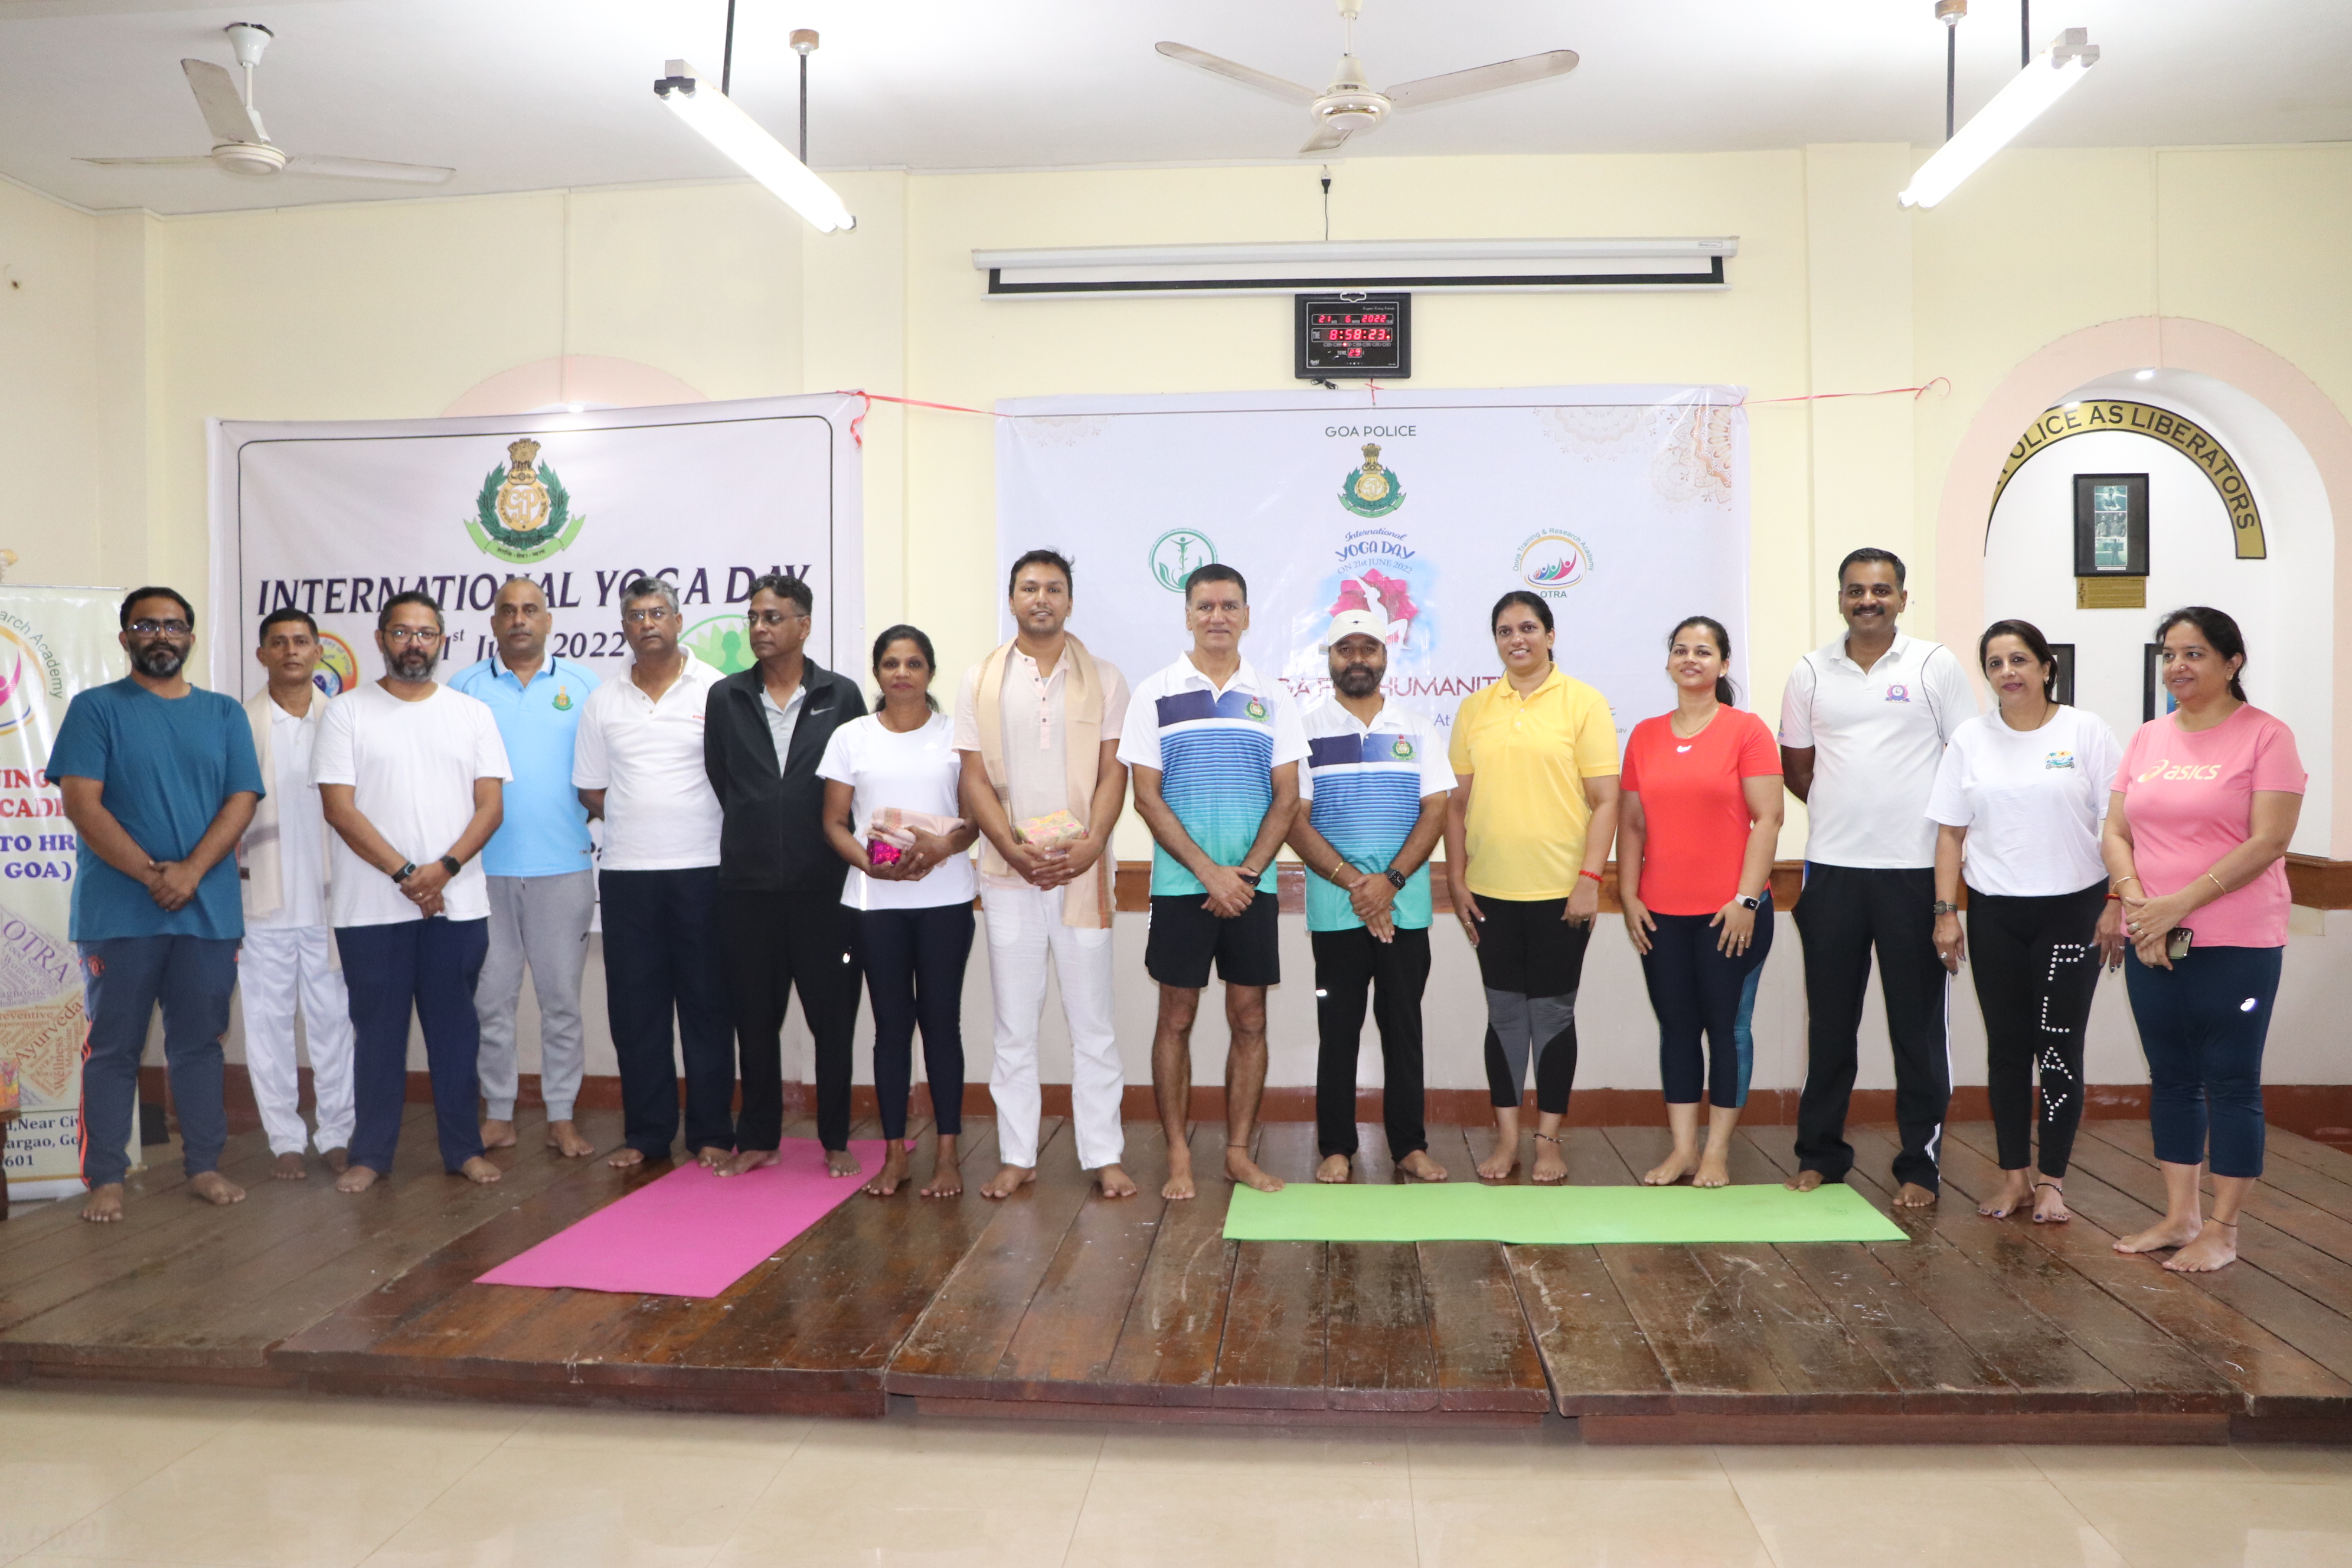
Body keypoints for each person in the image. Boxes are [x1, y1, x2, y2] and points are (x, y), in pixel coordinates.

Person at [51, 587, 262, 1223]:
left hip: (207, 909)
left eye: (174, 625)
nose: (161, 635)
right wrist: (153, 876)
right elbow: (82, 804)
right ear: (125, 638)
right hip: (120, 911)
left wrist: (191, 872)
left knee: (199, 1044)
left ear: (191, 638)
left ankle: (204, 1165)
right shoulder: (95, 709)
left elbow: (243, 800)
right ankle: (106, 1176)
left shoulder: (224, 713)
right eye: (147, 625)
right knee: (114, 1047)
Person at [2102, 606, 2302, 1273]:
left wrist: (2177, 906)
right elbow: (2116, 832)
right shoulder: (2148, 737)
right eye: (2168, 654)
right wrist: (2139, 906)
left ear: (2231, 661)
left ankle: (2223, 1228)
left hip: (2236, 942)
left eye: (2193, 653)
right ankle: (2180, 1215)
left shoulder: (2266, 736)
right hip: (2152, 937)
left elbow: (2269, 840)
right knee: (2172, 1078)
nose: (2177, 667)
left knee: (2232, 1080)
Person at [1778, 547, 1977, 1207]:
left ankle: (1920, 1166)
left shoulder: (1934, 664)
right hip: (1833, 873)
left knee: (1916, 1031)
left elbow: (1966, 760)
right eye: (1857, 590)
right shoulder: (1810, 671)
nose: (1869, 600)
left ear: (1902, 598)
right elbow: (1799, 769)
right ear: (1840, 598)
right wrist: (1849, 812)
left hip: (1915, 875)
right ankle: (1820, 1156)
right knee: (1830, 1027)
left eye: (1882, 590)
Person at [1119, 562, 1307, 1200]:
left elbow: (1287, 799)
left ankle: (1236, 1154)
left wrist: (1243, 876)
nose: (1217, 616)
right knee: (1175, 1015)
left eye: (1230, 606)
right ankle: (1178, 1153)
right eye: (1205, 606)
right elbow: (1146, 798)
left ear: (1248, 616)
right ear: (1188, 616)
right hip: (1182, 887)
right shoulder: (1154, 693)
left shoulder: (1274, 696)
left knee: (1250, 1018)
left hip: (1251, 887)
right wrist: (1209, 874)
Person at [1928, 619, 2125, 1224]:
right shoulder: (1970, 739)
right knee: (2008, 1050)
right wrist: (1946, 913)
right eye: (1995, 663)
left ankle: (2052, 1181)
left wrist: (2117, 900)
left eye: (2019, 660)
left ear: (2045, 667)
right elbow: (1950, 834)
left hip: (2073, 911)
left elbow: (2121, 825)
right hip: (1995, 913)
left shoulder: (2085, 731)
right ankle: (2014, 1176)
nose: (2007, 672)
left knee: (2060, 1048)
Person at [314, 591, 511, 1193]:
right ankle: (370, 1153)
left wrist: (443, 869)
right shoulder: (346, 712)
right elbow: (339, 808)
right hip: (371, 910)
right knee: (378, 1037)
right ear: (381, 639)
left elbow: (491, 806)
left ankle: (464, 1149)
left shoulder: (471, 713)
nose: (414, 644)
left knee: (456, 1035)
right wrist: (406, 874)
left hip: (458, 903)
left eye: (426, 633)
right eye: (402, 632)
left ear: (442, 641)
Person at [955, 550, 1135, 1201]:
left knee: (1093, 1024)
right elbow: (973, 777)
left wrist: (1092, 846)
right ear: (1011, 599)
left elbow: (1115, 772)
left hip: (1082, 873)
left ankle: (1104, 1154)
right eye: (1029, 588)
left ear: (1069, 601)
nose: (1041, 598)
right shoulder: (980, 679)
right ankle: (1016, 1154)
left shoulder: (1107, 678)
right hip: (1009, 874)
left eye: (1054, 589)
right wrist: (1011, 848)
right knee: (1014, 1024)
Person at [1444, 591, 1621, 1184]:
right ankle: (1507, 1140)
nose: (1516, 639)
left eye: (1527, 627)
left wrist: (1590, 880)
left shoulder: (1583, 703)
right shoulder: (1475, 708)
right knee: (1503, 1017)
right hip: (1490, 892)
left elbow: (1606, 801)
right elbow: (1456, 804)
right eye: (1504, 630)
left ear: (1550, 634)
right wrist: (1456, 878)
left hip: (1562, 893)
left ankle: (1547, 1142)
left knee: (1551, 1015)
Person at [706, 574, 867, 1178]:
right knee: (754, 1017)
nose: (759, 628)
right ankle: (759, 1137)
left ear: (804, 625)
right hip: (747, 889)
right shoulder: (726, 697)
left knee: (834, 1018)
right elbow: (723, 779)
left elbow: (855, 783)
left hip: (825, 888)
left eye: (772, 618)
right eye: (753, 618)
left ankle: (835, 1138)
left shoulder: (841, 696)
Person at [1285, 607, 1453, 1184]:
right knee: (1338, 1031)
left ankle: (1409, 1146)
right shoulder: (1303, 731)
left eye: (1368, 648)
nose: (1357, 659)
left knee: (1403, 1028)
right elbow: (1294, 819)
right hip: (1337, 912)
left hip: (1405, 909)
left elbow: (1436, 811)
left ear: (1385, 656)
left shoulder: (1418, 727)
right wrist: (1358, 886)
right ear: (1329, 658)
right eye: (1345, 649)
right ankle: (1336, 1147)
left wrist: (1390, 883)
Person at [573, 577, 733, 1170]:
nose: (648, 623)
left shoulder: (716, 690)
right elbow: (591, 788)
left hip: (704, 869)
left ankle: (712, 1131)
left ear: (678, 620)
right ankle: (646, 1134)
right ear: (624, 628)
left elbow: (735, 776)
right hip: (628, 873)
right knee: (636, 1010)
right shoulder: (603, 700)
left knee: (707, 1005)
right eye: (637, 615)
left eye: (658, 612)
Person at [1618, 616, 1782, 1189]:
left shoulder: (1747, 731)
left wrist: (1746, 900)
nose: (1691, 659)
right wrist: (1628, 894)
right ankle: (1684, 1150)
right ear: (1669, 662)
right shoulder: (1644, 736)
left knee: (1727, 1029)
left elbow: (1769, 819)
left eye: (1704, 651)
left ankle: (1717, 1152)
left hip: (1730, 915)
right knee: (1678, 1030)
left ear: (1724, 664)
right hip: (1660, 915)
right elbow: (1632, 824)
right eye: (1681, 650)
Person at [821, 626, 981, 1198]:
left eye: (914, 663)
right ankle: (894, 1155)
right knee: (891, 1028)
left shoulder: (956, 737)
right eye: (891, 663)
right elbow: (833, 823)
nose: (902, 673)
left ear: (930, 672)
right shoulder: (851, 737)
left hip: (946, 900)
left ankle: (948, 1156)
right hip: (875, 903)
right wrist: (870, 864)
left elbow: (974, 821)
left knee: (941, 1025)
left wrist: (943, 847)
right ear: (877, 672)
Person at [449, 577, 601, 1160]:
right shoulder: (463, 689)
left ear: (548, 620)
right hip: (481, 871)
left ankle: (561, 1115)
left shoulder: (584, 686)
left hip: (562, 867)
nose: (519, 620)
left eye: (530, 610)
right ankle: (500, 1114)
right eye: (508, 611)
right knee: (491, 1000)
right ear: (493, 623)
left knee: (561, 1000)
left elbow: (605, 772)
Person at [238, 607, 355, 1180]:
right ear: (262, 654)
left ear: (317, 652)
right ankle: (284, 1138)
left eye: (301, 641)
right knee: (267, 1025)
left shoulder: (345, 721)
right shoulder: (240, 724)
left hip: (333, 901)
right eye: (279, 642)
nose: (291, 651)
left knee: (335, 1024)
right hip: (263, 902)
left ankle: (338, 1134)